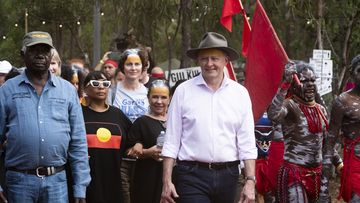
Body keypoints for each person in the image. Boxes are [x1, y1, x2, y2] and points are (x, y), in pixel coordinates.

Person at [160, 32, 257, 203]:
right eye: (204, 58)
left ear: (226, 61)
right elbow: (171, 141)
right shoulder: (183, 91)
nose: (209, 63)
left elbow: (247, 142)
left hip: (230, 176)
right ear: (198, 61)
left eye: (215, 58)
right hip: (191, 175)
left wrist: (250, 181)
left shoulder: (240, 94)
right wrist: (166, 181)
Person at [0, 31, 90, 203]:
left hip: (57, 182)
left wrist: (80, 186)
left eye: (45, 50)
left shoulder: (68, 90)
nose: (40, 54)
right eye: (34, 50)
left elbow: (78, 142)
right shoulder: (7, 91)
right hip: (19, 182)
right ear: (23, 54)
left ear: (51, 54)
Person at [267, 61, 342, 202]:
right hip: (295, 176)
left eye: (313, 80)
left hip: (318, 176)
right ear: (294, 84)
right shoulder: (290, 105)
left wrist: (339, 164)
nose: (310, 84)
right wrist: (285, 84)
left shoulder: (321, 109)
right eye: (304, 80)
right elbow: (273, 114)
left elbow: (326, 142)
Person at [81, 71, 132, 203]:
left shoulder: (117, 115)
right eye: (95, 83)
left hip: (113, 180)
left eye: (105, 83)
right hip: (85, 181)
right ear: (85, 89)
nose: (101, 87)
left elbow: (133, 137)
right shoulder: (78, 114)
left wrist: (138, 143)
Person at [112, 48, 150, 203]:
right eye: (129, 64)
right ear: (123, 67)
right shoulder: (112, 92)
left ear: (143, 67)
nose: (133, 68)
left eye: (137, 64)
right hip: (120, 157)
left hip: (145, 155)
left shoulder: (149, 93)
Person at [321, 55, 360, 202]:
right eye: (359, 70)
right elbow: (330, 143)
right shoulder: (343, 101)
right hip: (355, 166)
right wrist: (324, 187)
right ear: (352, 74)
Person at [127, 79, 170, 203]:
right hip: (147, 180)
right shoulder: (141, 122)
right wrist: (146, 153)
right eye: (155, 97)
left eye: (163, 97)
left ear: (170, 98)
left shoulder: (177, 120)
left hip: (173, 179)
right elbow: (127, 151)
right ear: (148, 98)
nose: (159, 101)